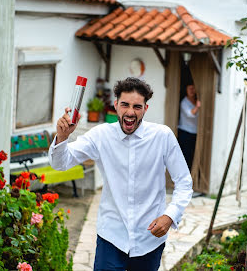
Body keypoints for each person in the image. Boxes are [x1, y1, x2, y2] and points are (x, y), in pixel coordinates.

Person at [49, 77, 193, 271]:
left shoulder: (163, 136)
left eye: (137, 106)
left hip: (149, 238)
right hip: (112, 236)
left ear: (145, 109)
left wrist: (170, 216)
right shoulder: (100, 135)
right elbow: (60, 163)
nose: (130, 112)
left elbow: (184, 182)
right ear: (115, 105)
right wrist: (63, 137)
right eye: (125, 105)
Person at [177, 83, 201, 170]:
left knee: (192, 157)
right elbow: (190, 114)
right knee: (185, 157)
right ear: (186, 90)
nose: (192, 90)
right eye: (189, 88)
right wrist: (198, 107)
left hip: (195, 133)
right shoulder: (184, 102)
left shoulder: (196, 101)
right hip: (185, 132)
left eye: (193, 88)